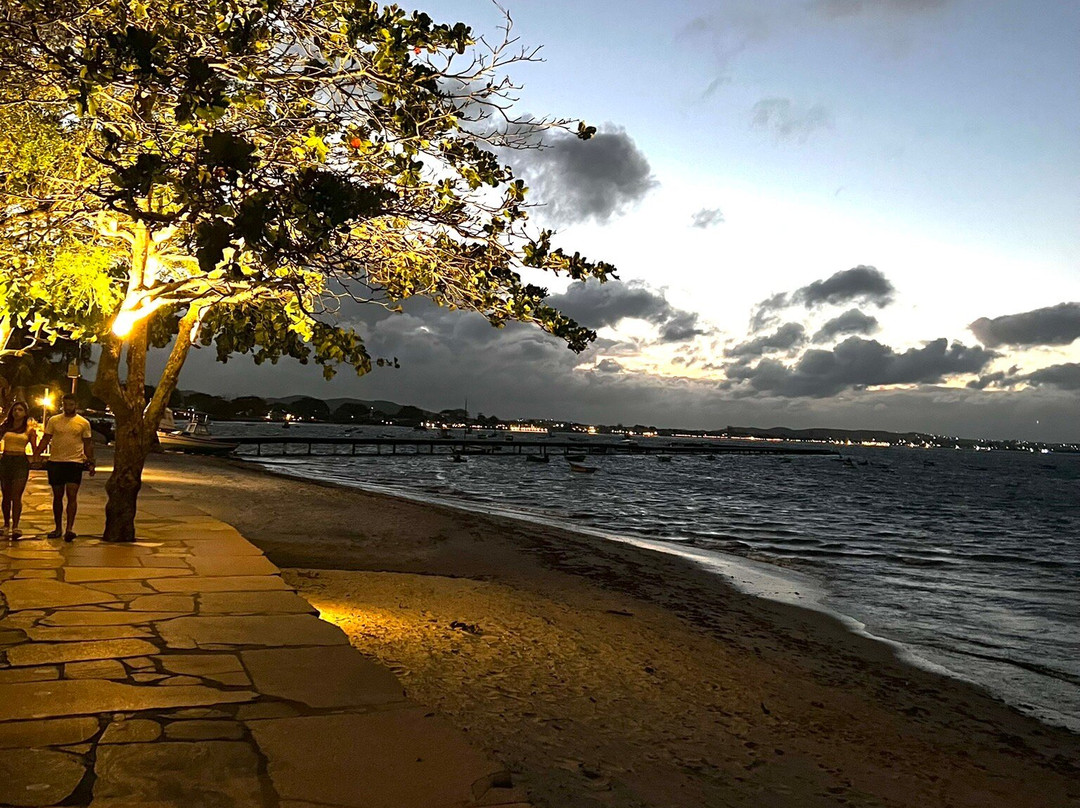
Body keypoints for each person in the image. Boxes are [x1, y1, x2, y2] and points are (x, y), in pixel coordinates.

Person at [34, 393, 95, 541]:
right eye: (65, 404)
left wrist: (91, 462)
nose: (67, 407)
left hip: (75, 462)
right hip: (56, 461)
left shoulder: (83, 423)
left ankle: (69, 528)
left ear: (76, 405)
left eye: (71, 405)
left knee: (72, 495)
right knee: (57, 496)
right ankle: (58, 528)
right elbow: (46, 438)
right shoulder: (54, 420)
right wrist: (37, 454)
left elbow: (87, 443)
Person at [0, 401, 39, 539]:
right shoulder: (5, 427)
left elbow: (34, 448)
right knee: (6, 495)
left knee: (16, 495)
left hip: (20, 462)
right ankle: (6, 524)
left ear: (25, 413)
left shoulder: (29, 430)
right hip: (6, 461)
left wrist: (36, 460)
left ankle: (16, 526)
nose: (17, 412)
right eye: (15, 410)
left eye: (20, 410)